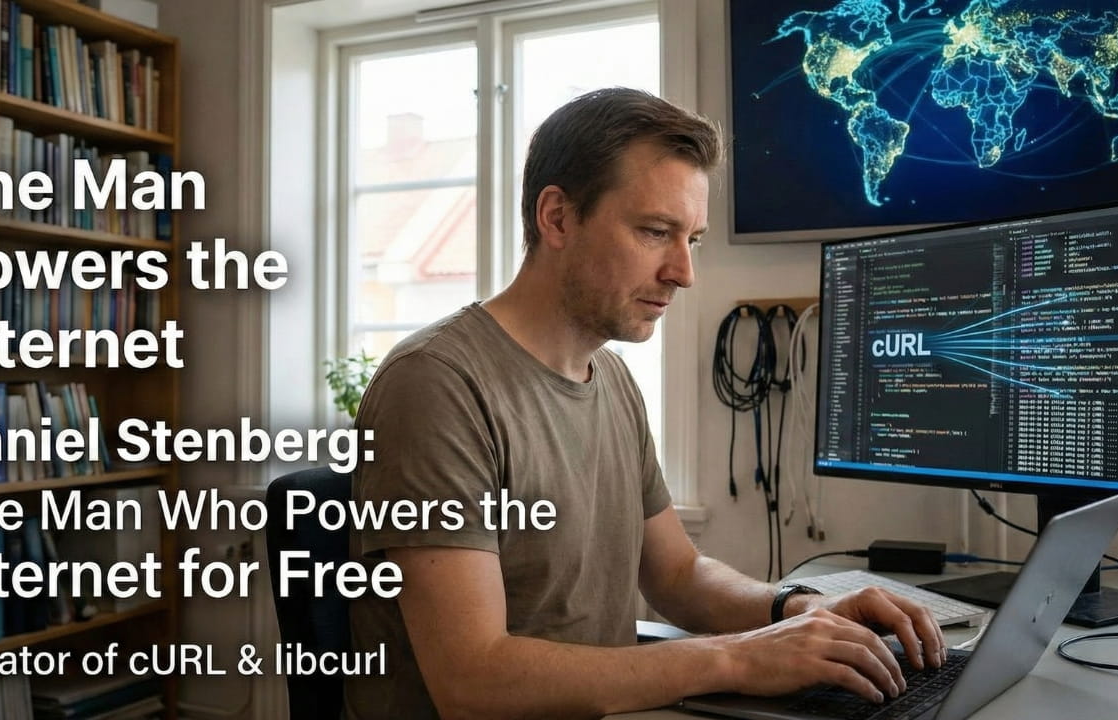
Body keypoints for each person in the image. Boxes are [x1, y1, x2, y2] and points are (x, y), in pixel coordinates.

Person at [344, 88, 945, 720]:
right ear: (557, 218)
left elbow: (677, 576)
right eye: (655, 232)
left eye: (694, 239)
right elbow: (474, 683)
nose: (684, 272)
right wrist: (741, 656)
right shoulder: (436, 385)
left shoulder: (611, 378)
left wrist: (797, 607)